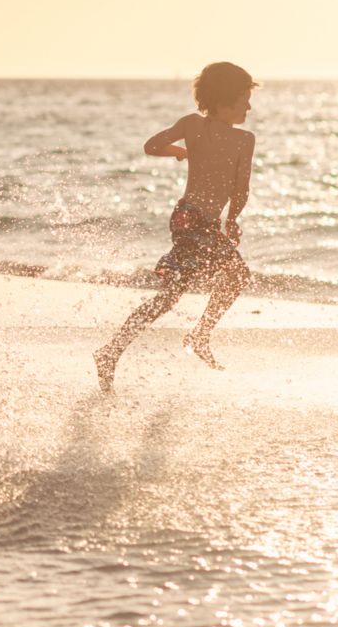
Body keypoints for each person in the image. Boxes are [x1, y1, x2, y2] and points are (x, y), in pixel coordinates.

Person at [93, 61, 257, 395]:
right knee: (233, 277)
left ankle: (113, 350)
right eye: (244, 100)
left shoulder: (196, 126)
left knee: (173, 295)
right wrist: (233, 219)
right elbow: (241, 189)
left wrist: (180, 151)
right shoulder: (240, 139)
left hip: (191, 218)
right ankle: (195, 336)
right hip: (195, 221)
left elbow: (152, 146)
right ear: (225, 101)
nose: (249, 107)